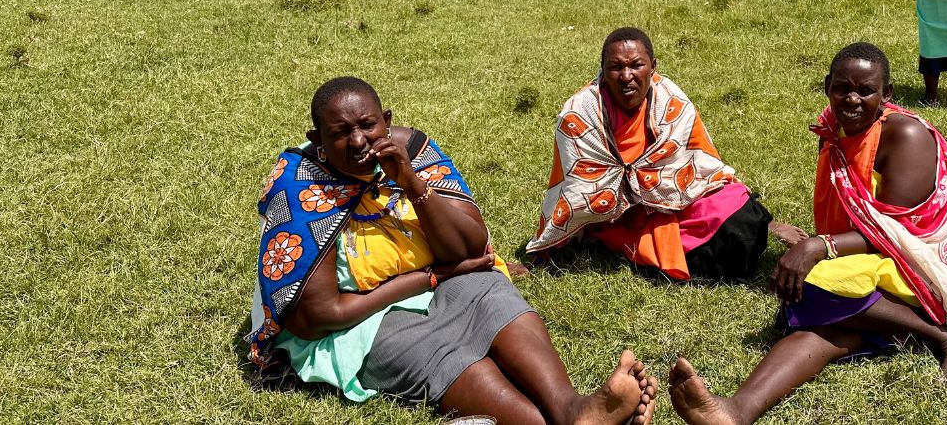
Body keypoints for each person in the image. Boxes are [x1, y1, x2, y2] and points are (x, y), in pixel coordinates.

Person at [247, 76, 657, 424]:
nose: (358, 142)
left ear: (386, 122)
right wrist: (430, 278)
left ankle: (571, 408)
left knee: (491, 293)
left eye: (368, 126)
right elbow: (320, 317)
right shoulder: (300, 189)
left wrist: (410, 182)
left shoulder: (413, 150)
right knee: (438, 350)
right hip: (357, 322)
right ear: (317, 140)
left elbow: (469, 246)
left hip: (445, 278)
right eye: (339, 134)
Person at [667, 43, 947, 424]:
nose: (852, 99)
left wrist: (820, 246)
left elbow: (899, 234)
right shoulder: (833, 129)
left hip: (933, 271)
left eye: (866, 90)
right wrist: (820, 247)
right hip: (880, 268)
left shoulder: (904, 135)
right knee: (827, 326)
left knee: (818, 286)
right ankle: (737, 411)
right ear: (827, 86)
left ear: (887, 94)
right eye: (842, 88)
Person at [525, 27, 806, 282]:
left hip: (675, 194)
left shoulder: (670, 99)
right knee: (713, 254)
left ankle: (766, 227)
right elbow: (576, 190)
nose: (626, 77)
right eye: (616, 68)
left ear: (653, 67)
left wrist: (653, 186)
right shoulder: (580, 113)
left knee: (742, 216)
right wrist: (545, 251)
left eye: (636, 66)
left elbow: (700, 165)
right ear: (602, 69)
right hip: (620, 214)